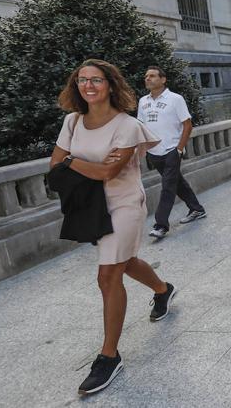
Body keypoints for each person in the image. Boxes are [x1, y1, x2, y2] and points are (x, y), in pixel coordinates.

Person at [50, 59, 176, 395]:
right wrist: (78, 163)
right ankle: (163, 290)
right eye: (82, 80)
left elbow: (108, 173)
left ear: (110, 84)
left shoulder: (126, 125)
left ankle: (109, 356)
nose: (88, 86)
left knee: (108, 274)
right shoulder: (72, 122)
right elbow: (54, 165)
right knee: (127, 262)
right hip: (92, 206)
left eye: (96, 80)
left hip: (124, 204)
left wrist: (72, 161)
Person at [138, 66, 206, 238]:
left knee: (168, 186)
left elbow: (187, 124)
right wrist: (144, 148)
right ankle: (197, 209)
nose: (148, 78)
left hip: (171, 150)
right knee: (177, 183)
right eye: (146, 76)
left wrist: (179, 149)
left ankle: (161, 225)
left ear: (163, 79)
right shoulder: (143, 101)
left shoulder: (175, 99)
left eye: (152, 76)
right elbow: (140, 126)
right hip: (154, 153)